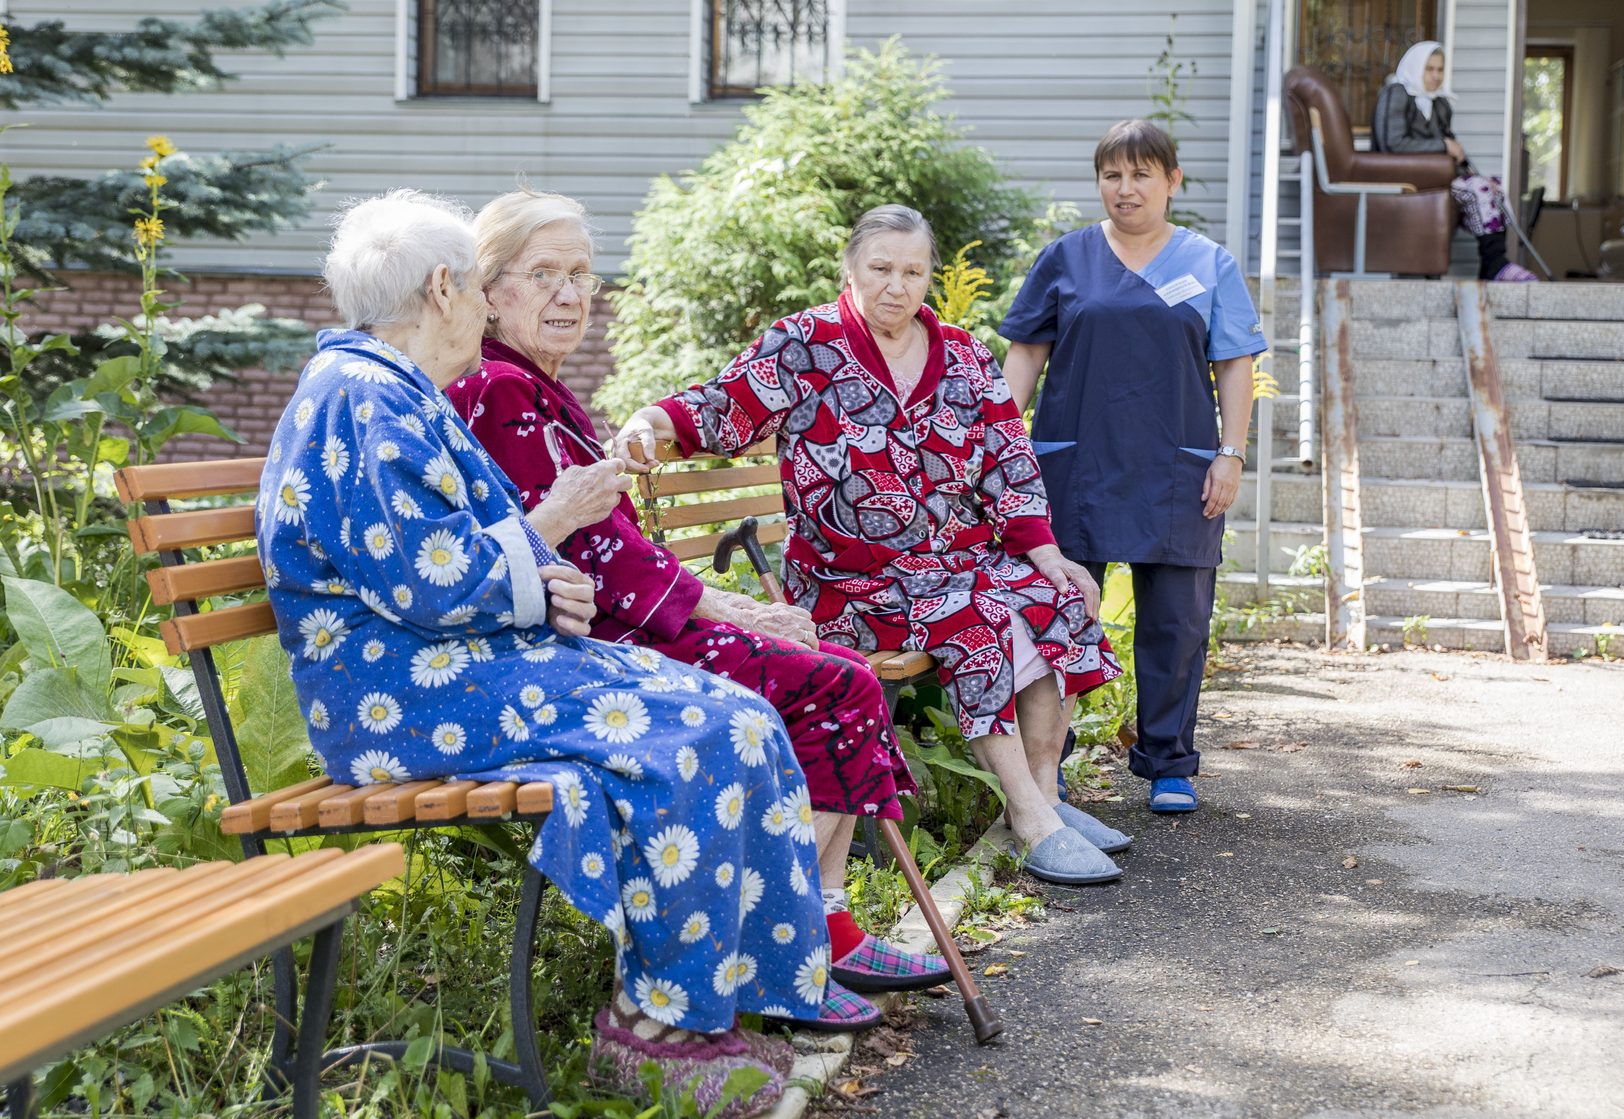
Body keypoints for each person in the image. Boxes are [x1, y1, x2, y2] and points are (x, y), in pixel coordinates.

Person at [257, 189, 855, 1117]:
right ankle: (654, 1039)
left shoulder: (384, 387)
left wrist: (539, 568)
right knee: (692, 730)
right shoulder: (362, 397)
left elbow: (470, 543)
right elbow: (431, 575)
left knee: (735, 713)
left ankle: (710, 1006)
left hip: (455, 672)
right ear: (449, 287)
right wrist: (536, 568)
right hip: (403, 697)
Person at [445, 187, 949, 997]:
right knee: (833, 682)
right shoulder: (501, 390)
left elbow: (614, 549)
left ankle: (820, 928)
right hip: (591, 643)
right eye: (544, 275)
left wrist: (743, 611)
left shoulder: (529, 385)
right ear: (488, 289)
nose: (571, 294)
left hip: (611, 624)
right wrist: (743, 608)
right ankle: (797, 938)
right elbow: (602, 560)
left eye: (581, 274)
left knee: (830, 674)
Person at [615, 204, 1130, 888]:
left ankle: (1045, 797)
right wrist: (649, 420)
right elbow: (721, 404)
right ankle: (1029, 817)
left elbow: (1009, 455)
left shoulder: (966, 355)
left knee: (1061, 596)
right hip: (849, 584)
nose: (897, 285)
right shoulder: (805, 345)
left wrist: (1045, 552)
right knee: (973, 621)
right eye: (881, 268)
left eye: (913, 270)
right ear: (850, 269)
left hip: (949, 563)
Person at [999, 120, 1268, 816]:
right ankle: (1043, 760)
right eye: (1113, 175)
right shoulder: (1066, 257)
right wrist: (998, 445)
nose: (1126, 189)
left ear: (1172, 181)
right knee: (1055, 611)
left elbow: (1235, 362)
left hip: (1177, 466)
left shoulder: (1210, 263)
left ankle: (1168, 762)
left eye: (1142, 174)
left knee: (1176, 620)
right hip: (1074, 462)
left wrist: (1231, 453)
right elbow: (1025, 354)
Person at [1371, 40, 1537, 282]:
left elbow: (1449, 148)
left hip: (1438, 178)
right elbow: (1392, 143)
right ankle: (1496, 267)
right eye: (1429, 69)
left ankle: (1493, 266)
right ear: (1416, 68)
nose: (1436, 76)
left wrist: (1471, 171)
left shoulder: (1440, 104)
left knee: (1493, 188)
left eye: (1440, 70)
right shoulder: (1397, 93)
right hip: (1408, 179)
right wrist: (1443, 145)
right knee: (1478, 190)